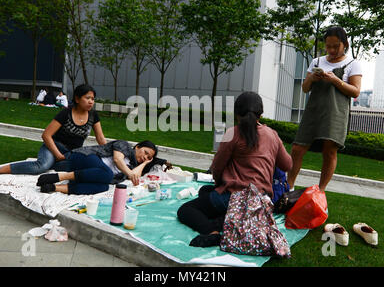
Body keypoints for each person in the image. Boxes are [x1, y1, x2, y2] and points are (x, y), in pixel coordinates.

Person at [177, 91, 292, 247]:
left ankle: (212, 232)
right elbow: (288, 165)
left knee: (186, 209)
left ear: (237, 113)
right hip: (261, 201)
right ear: (261, 114)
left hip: (234, 196)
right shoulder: (272, 135)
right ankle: (231, 220)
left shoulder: (233, 133)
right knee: (205, 191)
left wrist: (219, 184)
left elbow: (217, 167)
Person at [287, 26, 362, 192]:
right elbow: (305, 88)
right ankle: (289, 187)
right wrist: (312, 78)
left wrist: (336, 80)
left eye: (336, 46)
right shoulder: (317, 62)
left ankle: (320, 192)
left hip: (336, 114)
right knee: (298, 148)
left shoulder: (352, 64)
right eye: (328, 46)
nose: (332, 50)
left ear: (345, 44)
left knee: (329, 152)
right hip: (313, 111)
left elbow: (355, 91)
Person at [0, 84, 107, 175]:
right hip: (53, 147)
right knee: (41, 166)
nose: (91, 102)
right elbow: (46, 135)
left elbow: (100, 138)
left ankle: (52, 163)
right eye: (87, 98)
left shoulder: (93, 115)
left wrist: (110, 154)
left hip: (71, 152)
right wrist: (57, 155)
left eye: (93, 99)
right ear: (77, 99)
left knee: (83, 165)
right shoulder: (65, 113)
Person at [36, 140, 158, 195]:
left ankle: (53, 187)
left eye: (148, 157)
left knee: (104, 186)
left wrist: (144, 163)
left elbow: (134, 173)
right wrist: (130, 174)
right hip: (86, 157)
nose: (145, 157)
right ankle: (58, 177)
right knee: (108, 174)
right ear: (137, 147)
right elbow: (117, 159)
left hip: (93, 174)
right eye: (145, 152)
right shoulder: (124, 145)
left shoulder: (132, 165)